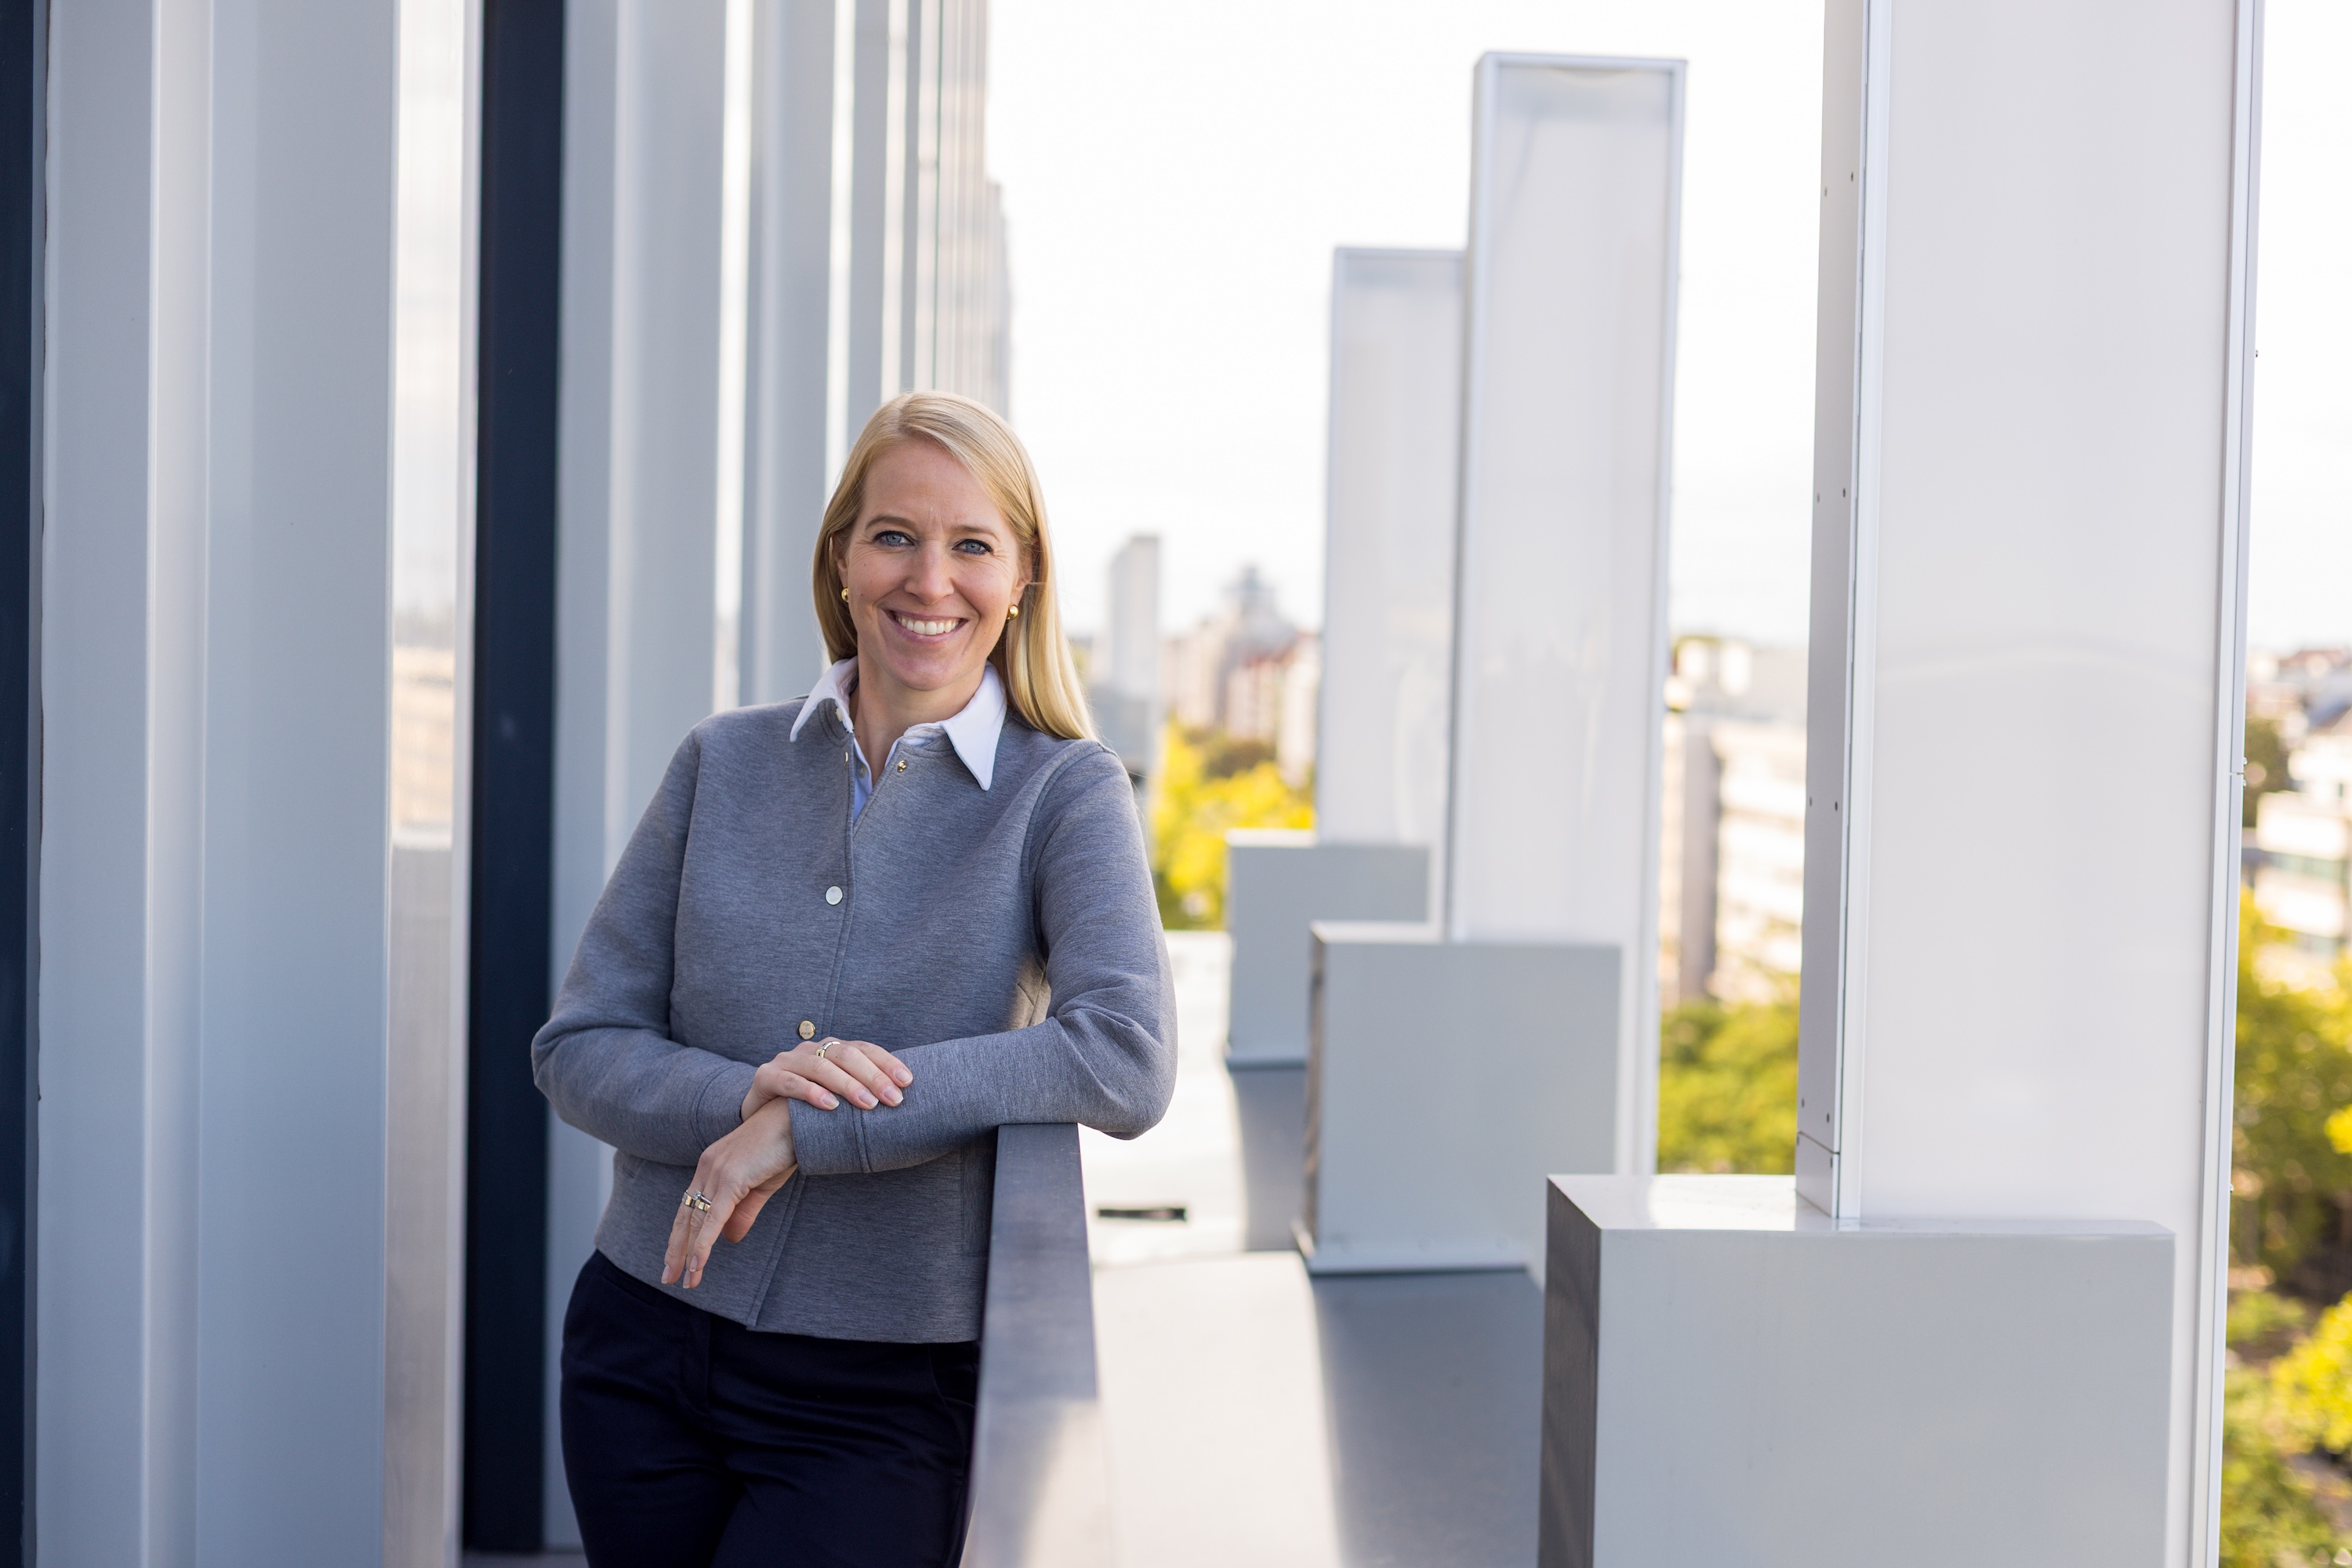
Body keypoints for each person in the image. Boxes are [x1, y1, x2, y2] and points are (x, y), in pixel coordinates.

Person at [533, 390, 1175, 1567]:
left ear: (1023, 577)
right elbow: (578, 1047)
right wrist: (745, 1103)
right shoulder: (721, 761)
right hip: (641, 1346)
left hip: (881, 1396)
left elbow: (1124, 1054)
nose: (930, 579)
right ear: (841, 560)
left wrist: (812, 1129)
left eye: (972, 544)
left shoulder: (1065, 792)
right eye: (894, 537)